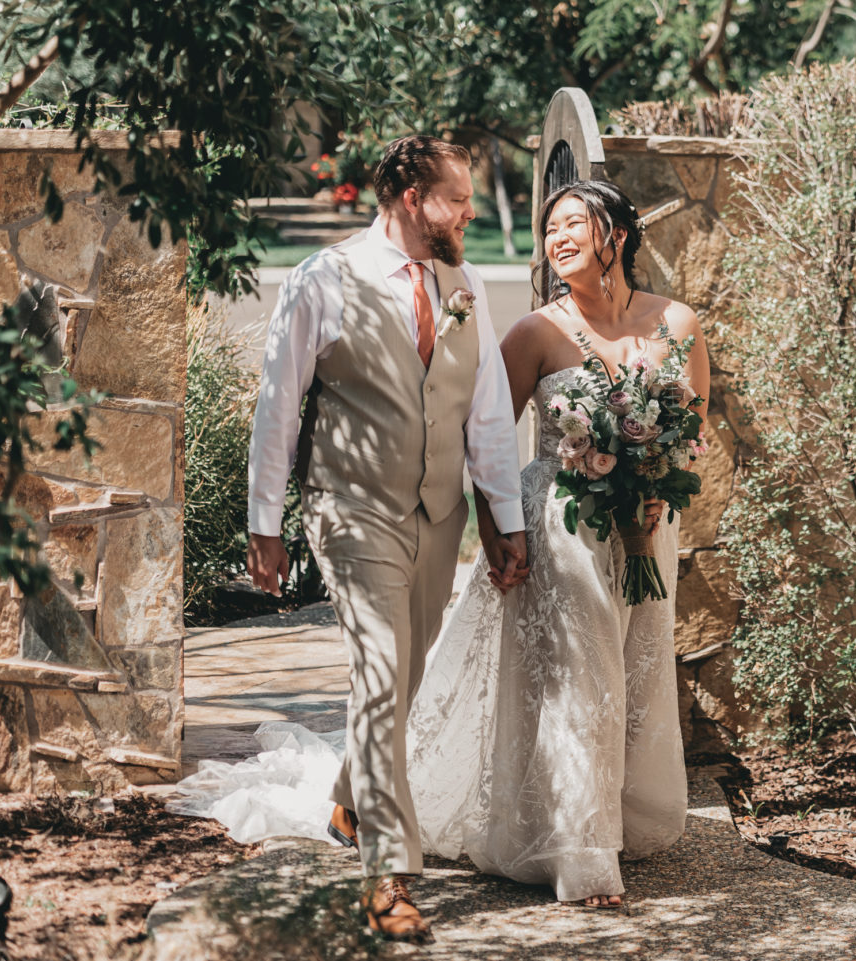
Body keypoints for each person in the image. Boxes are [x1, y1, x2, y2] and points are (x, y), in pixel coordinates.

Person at [244, 135, 528, 942]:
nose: (470, 213)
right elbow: (278, 409)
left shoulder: (465, 282)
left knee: (401, 674)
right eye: (458, 200)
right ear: (411, 198)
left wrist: (502, 520)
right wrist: (265, 526)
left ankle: (347, 796)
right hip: (351, 509)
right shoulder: (322, 280)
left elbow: (488, 416)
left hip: (439, 514)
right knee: (377, 671)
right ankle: (388, 872)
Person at [405, 178, 711, 908]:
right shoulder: (536, 332)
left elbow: (693, 432)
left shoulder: (676, 322)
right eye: (549, 229)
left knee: (632, 672)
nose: (557, 238)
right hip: (563, 530)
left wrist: (657, 490)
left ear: (618, 233)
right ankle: (581, 855)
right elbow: (487, 440)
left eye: (573, 223)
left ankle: (614, 817)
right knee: (578, 680)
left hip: (646, 533)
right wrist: (498, 527)